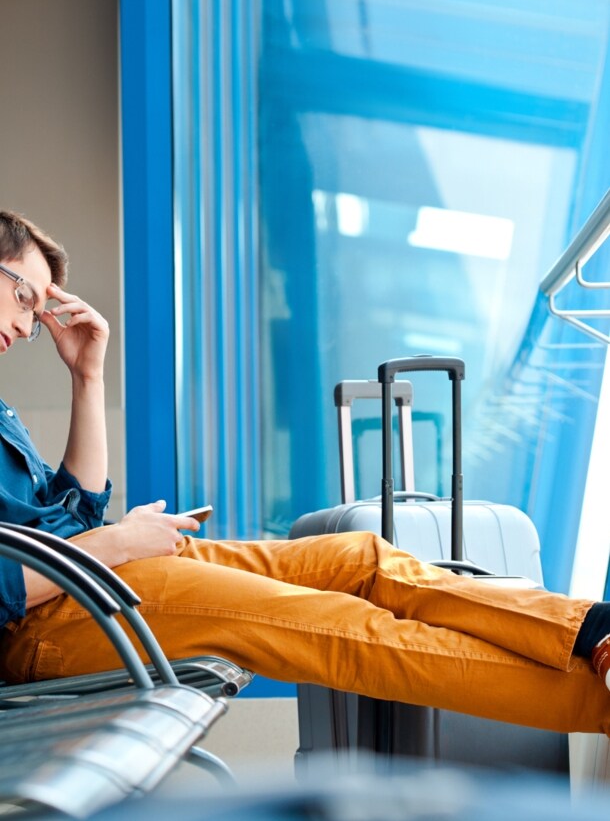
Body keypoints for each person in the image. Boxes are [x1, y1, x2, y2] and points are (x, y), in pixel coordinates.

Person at [0, 209, 609, 737]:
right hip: (44, 622)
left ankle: (592, 630)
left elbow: (72, 514)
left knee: (361, 559)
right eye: (26, 297)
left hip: (90, 576)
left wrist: (88, 377)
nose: (31, 325)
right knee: (336, 627)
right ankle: (598, 703)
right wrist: (116, 541)